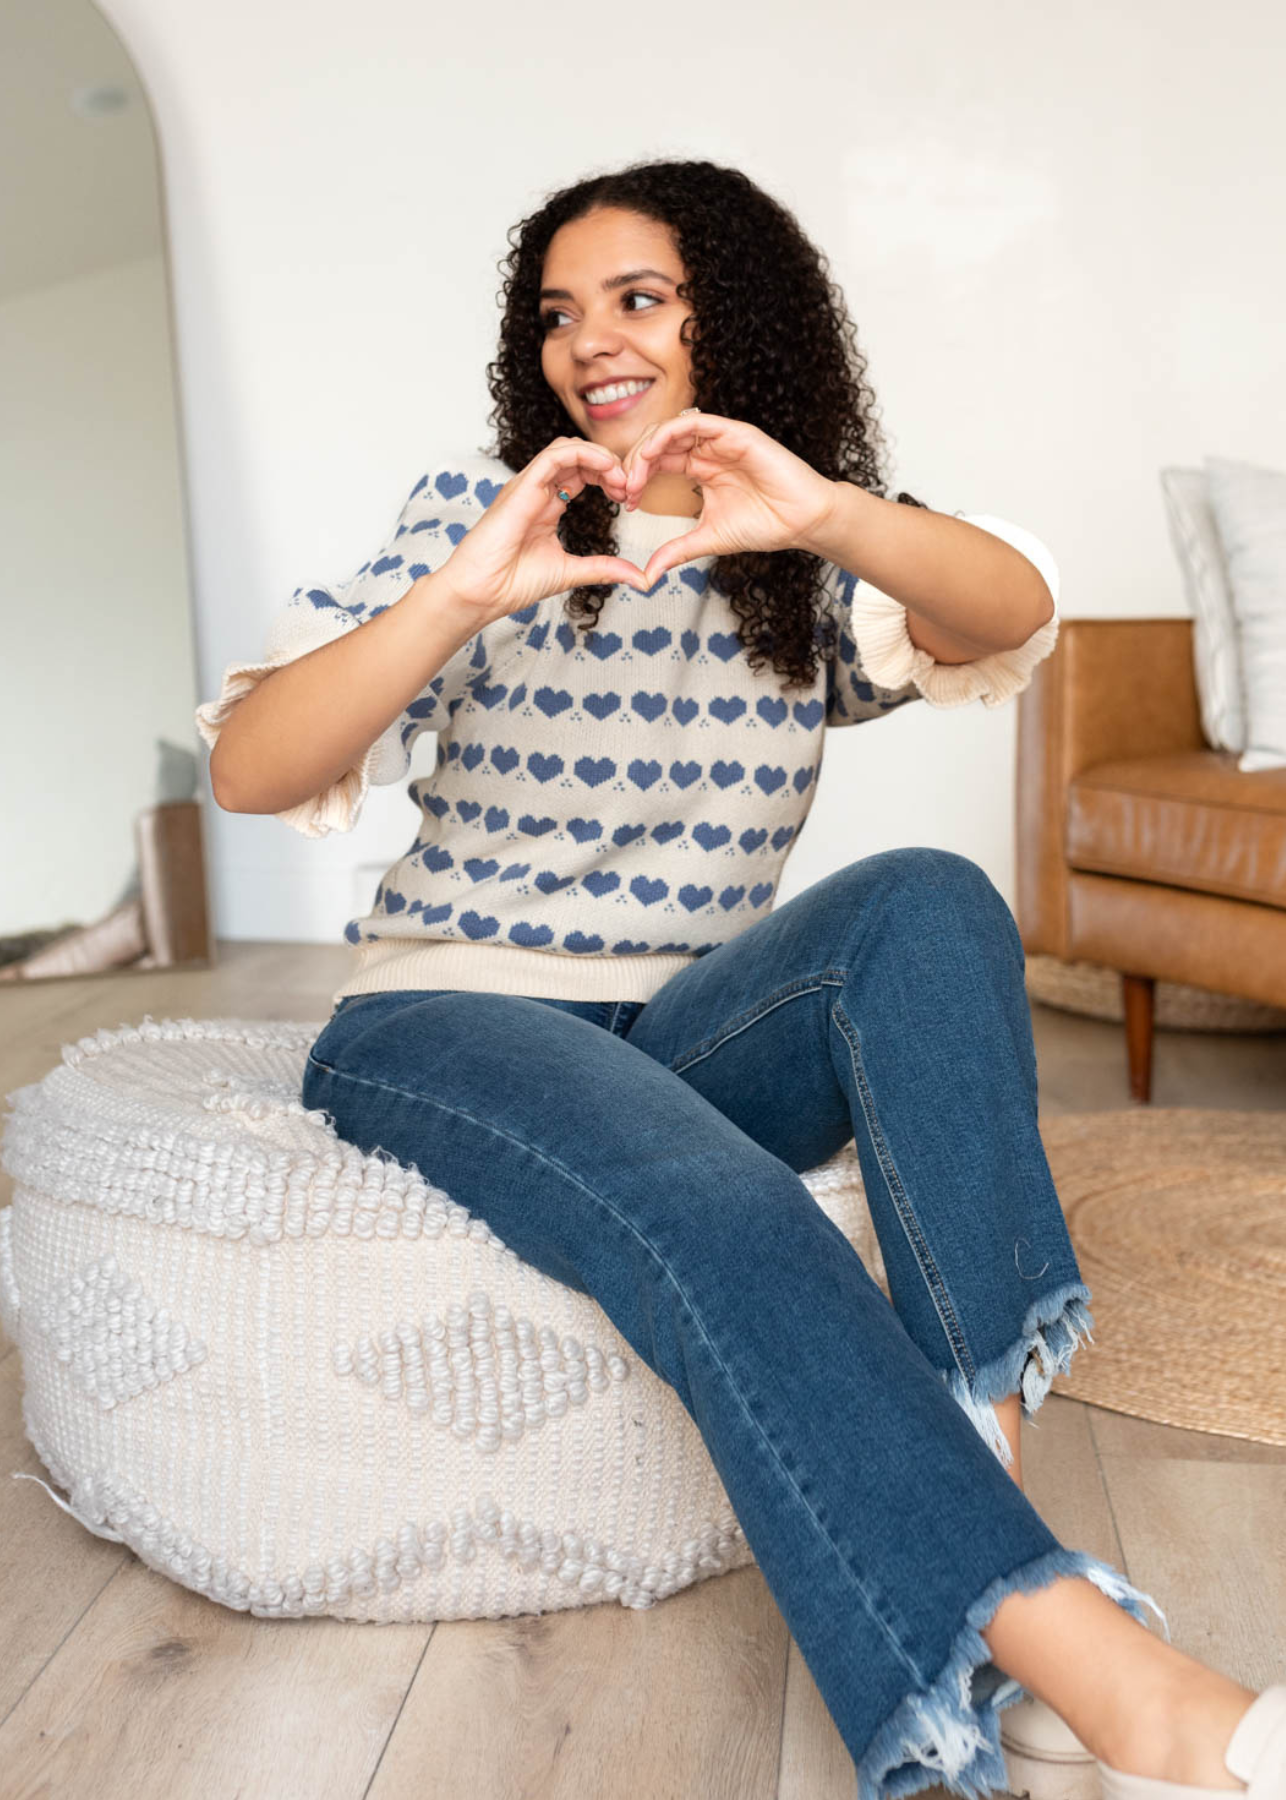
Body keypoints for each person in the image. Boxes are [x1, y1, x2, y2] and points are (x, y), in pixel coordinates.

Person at [196, 159, 1281, 1800]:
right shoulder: (470, 524)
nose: (590, 342)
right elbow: (254, 772)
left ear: (732, 323)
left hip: (696, 1026)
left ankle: (963, 1468)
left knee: (924, 898)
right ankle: (1117, 1681)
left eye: (638, 298)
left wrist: (824, 510)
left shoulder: (790, 550)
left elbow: (1018, 605)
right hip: (451, 1016)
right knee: (731, 1215)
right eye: (558, 313)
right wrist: (461, 594)